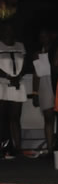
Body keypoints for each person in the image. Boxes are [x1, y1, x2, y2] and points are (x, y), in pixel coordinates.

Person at [0, 20, 26, 159]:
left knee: (15, 117)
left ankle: (17, 147)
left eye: (11, 29)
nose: (8, 31)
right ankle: (3, 147)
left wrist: (17, 77)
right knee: (2, 116)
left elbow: (25, 64)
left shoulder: (20, 45)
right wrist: (7, 76)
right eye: (6, 29)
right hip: (2, 83)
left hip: (17, 83)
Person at [31, 25, 58, 156]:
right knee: (48, 118)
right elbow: (36, 74)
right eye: (41, 36)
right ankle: (50, 148)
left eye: (46, 35)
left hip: (57, 84)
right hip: (44, 85)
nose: (44, 38)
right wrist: (34, 92)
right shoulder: (37, 54)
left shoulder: (57, 51)